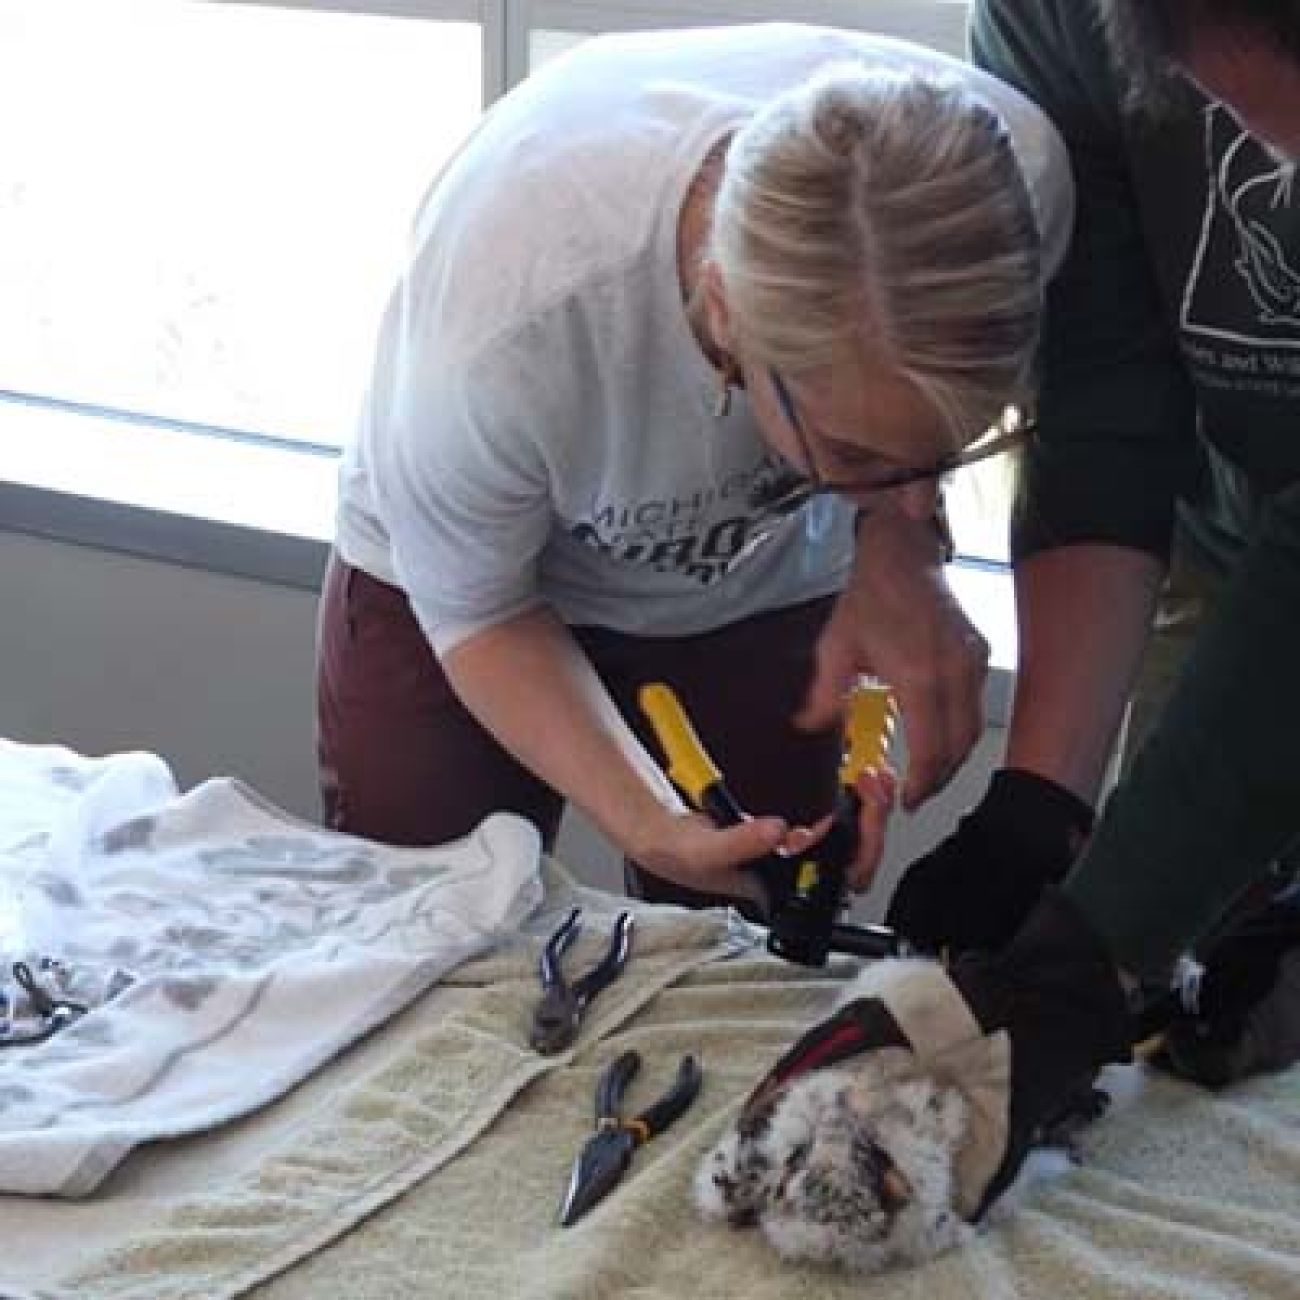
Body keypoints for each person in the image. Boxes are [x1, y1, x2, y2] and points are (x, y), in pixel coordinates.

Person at [316, 23, 1072, 912]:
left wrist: (903, 548)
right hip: (464, 592)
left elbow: (905, 434)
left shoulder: (1013, 192)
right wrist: (646, 822)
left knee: (764, 917)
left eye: (943, 453)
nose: (911, 492)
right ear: (724, 317)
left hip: (759, 569)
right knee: (431, 934)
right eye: (858, 454)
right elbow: (480, 613)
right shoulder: (509, 322)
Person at [878, 0, 1300, 1124]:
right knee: (1195, 965)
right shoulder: (1053, 14)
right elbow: (1105, 390)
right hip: (1230, 533)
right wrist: (1041, 810)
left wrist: (1095, 941)